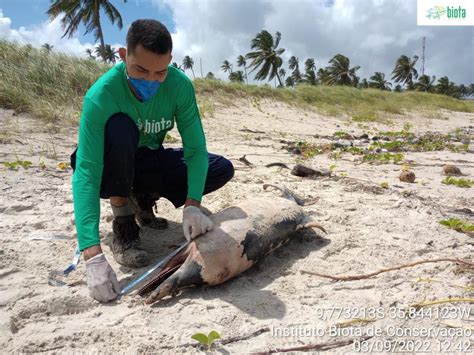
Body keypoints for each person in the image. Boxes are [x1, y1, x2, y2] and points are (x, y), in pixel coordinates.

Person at [70, 19, 234, 303]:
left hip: (147, 160)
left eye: (159, 72)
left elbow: (195, 149)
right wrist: (91, 253)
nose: (150, 80)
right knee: (120, 128)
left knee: (220, 167)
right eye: (140, 70)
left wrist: (192, 204)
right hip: (111, 162)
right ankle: (123, 221)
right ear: (123, 56)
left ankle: (142, 198)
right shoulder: (101, 96)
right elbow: (87, 171)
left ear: (170, 61)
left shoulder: (179, 86)